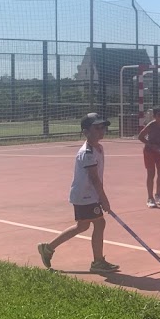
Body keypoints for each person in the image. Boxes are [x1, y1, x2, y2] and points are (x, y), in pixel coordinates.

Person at [37, 113, 119, 274]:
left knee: (83, 226)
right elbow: (94, 179)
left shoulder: (98, 148)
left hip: (88, 195)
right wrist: (104, 199)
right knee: (98, 223)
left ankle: (48, 248)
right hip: (85, 196)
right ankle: (98, 261)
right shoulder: (87, 153)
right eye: (96, 128)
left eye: (103, 127)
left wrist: (100, 197)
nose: (101, 130)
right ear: (86, 132)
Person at [138, 105, 160, 208]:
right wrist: (151, 145)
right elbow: (140, 137)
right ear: (154, 116)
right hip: (150, 152)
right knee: (151, 174)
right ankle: (150, 198)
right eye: (159, 115)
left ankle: (158, 194)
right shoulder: (151, 125)